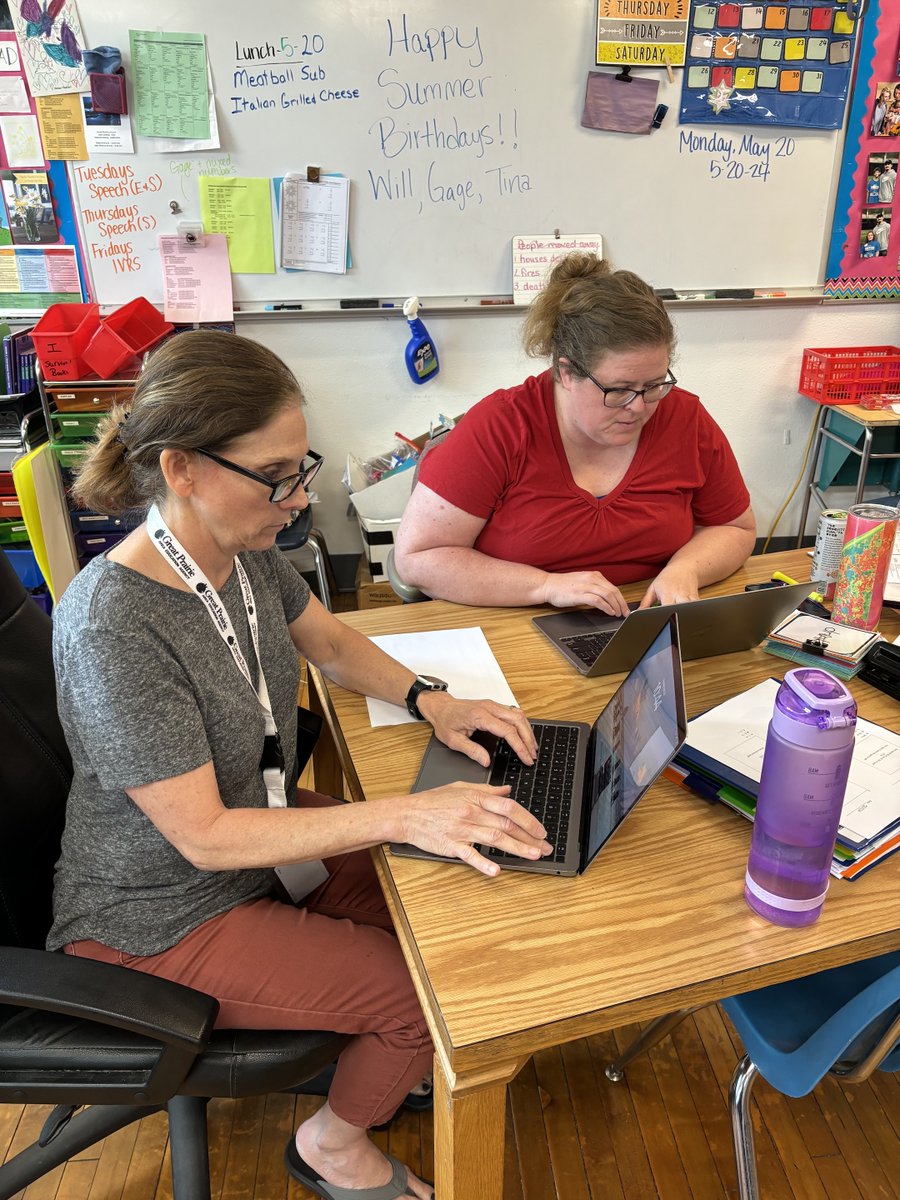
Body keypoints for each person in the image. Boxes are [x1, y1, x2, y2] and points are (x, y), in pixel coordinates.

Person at [48, 330, 550, 1200]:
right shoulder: (115, 627)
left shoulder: (240, 553)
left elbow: (324, 639)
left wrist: (434, 699)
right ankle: (332, 1146)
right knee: (412, 993)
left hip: (264, 839)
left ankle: (386, 1060)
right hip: (158, 909)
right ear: (183, 470)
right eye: (276, 475)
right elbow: (202, 838)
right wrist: (404, 812)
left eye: (300, 465)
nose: (298, 495)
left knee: (450, 907)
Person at [394, 253, 756, 615]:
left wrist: (685, 569)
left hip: (643, 619)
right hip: (517, 620)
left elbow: (735, 528)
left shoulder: (685, 419)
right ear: (566, 373)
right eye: (619, 389)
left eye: (654, 385)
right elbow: (420, 558)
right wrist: (545, 585)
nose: (639, 406)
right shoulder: (501, 427)